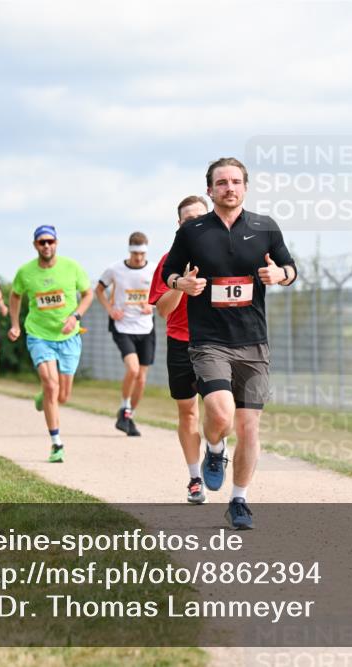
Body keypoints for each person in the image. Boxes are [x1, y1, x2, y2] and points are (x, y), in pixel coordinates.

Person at [163, 157, 297, 529]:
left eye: (236, 181)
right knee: (221, 414)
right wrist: (181, 284)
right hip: (209, 341)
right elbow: (168, 271)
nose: (229, 188)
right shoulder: (193, 232)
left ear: (246, 187)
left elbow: (291, 268)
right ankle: (215, 448)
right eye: (221, 182)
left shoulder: (265, 227)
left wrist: (280, 275)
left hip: (253, 342)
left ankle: (239, 500)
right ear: (210, 190)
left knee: (249, 426)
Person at [8, 225, 93, 463]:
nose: (46, 246)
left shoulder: (71, 267)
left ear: (56, 243)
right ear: (35, 245)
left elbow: (88, 294)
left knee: (62, 395)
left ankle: (43, 398)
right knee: (50, 384)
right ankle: (56, 444)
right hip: (39, 335)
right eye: (42, 242)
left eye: (50, 241)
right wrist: (14, 324)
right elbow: (15, 295)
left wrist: (75, 317)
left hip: (69, 337)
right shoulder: (25, 272)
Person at [149, 195, 210, 503]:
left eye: (200, 218)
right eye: (188, 220)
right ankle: (195, 478)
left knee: (220, 411)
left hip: (216, 342)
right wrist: (180, 284)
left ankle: (216, 449)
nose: (195, 224)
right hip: (181, 342)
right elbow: (163, 310)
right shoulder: (168, 261)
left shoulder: (224, 255)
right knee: (188, 412)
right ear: (179, 224)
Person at [96, 231, 155, 437]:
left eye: (142, 254)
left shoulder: (153, 269)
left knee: (142, 379)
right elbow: (98, 290)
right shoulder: (115, 269)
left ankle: (128, 417)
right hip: (122, 326)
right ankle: (124, 406)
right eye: (135, 253)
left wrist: (151, 305)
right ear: (129, 251)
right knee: (133, 369)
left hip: (146, 327)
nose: (138, 258)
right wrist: (110, 309)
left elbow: (163, 292)